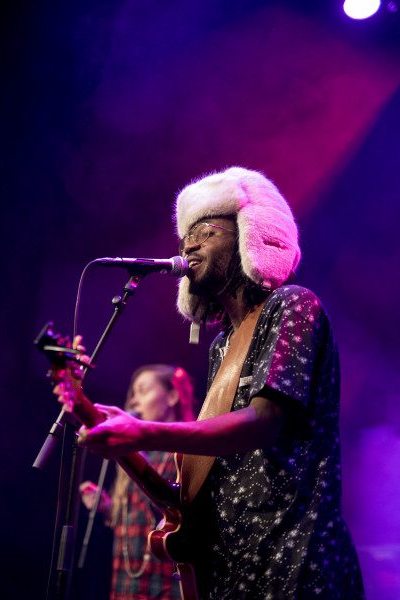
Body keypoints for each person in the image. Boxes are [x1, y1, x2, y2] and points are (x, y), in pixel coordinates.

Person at [56, 167, 364, 598]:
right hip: (233, 573)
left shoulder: (293, 306)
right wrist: (105, 424)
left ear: (251, 238)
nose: (189, 245)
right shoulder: (222, 345)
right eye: (186, 236)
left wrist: (142, 431)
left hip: (296, 564)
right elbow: (187, 497)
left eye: (207, 232)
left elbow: (264, 422)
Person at [77, 364, 196, 600]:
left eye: (142, 391)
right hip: (127, 584)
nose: (133, 401)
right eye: (132, 393)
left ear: (172, 396)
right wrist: (108, 508)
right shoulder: (135, 454)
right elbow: (137, 517)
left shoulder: (184, 456)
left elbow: (179, 518)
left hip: (164, 585)